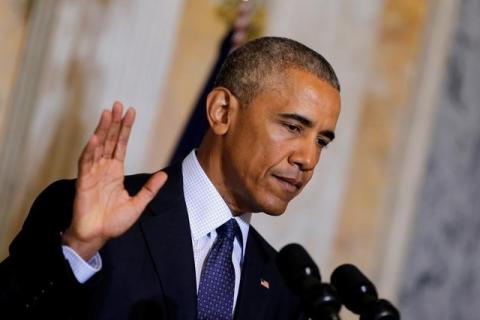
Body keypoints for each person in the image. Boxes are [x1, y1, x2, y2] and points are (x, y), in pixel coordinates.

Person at [0, 37, 341, 319]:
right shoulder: (88, 216)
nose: (308, 159)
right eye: (292, 127)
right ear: (222, 112)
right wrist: (77, 249)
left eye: (321, 142)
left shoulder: (284, 287)